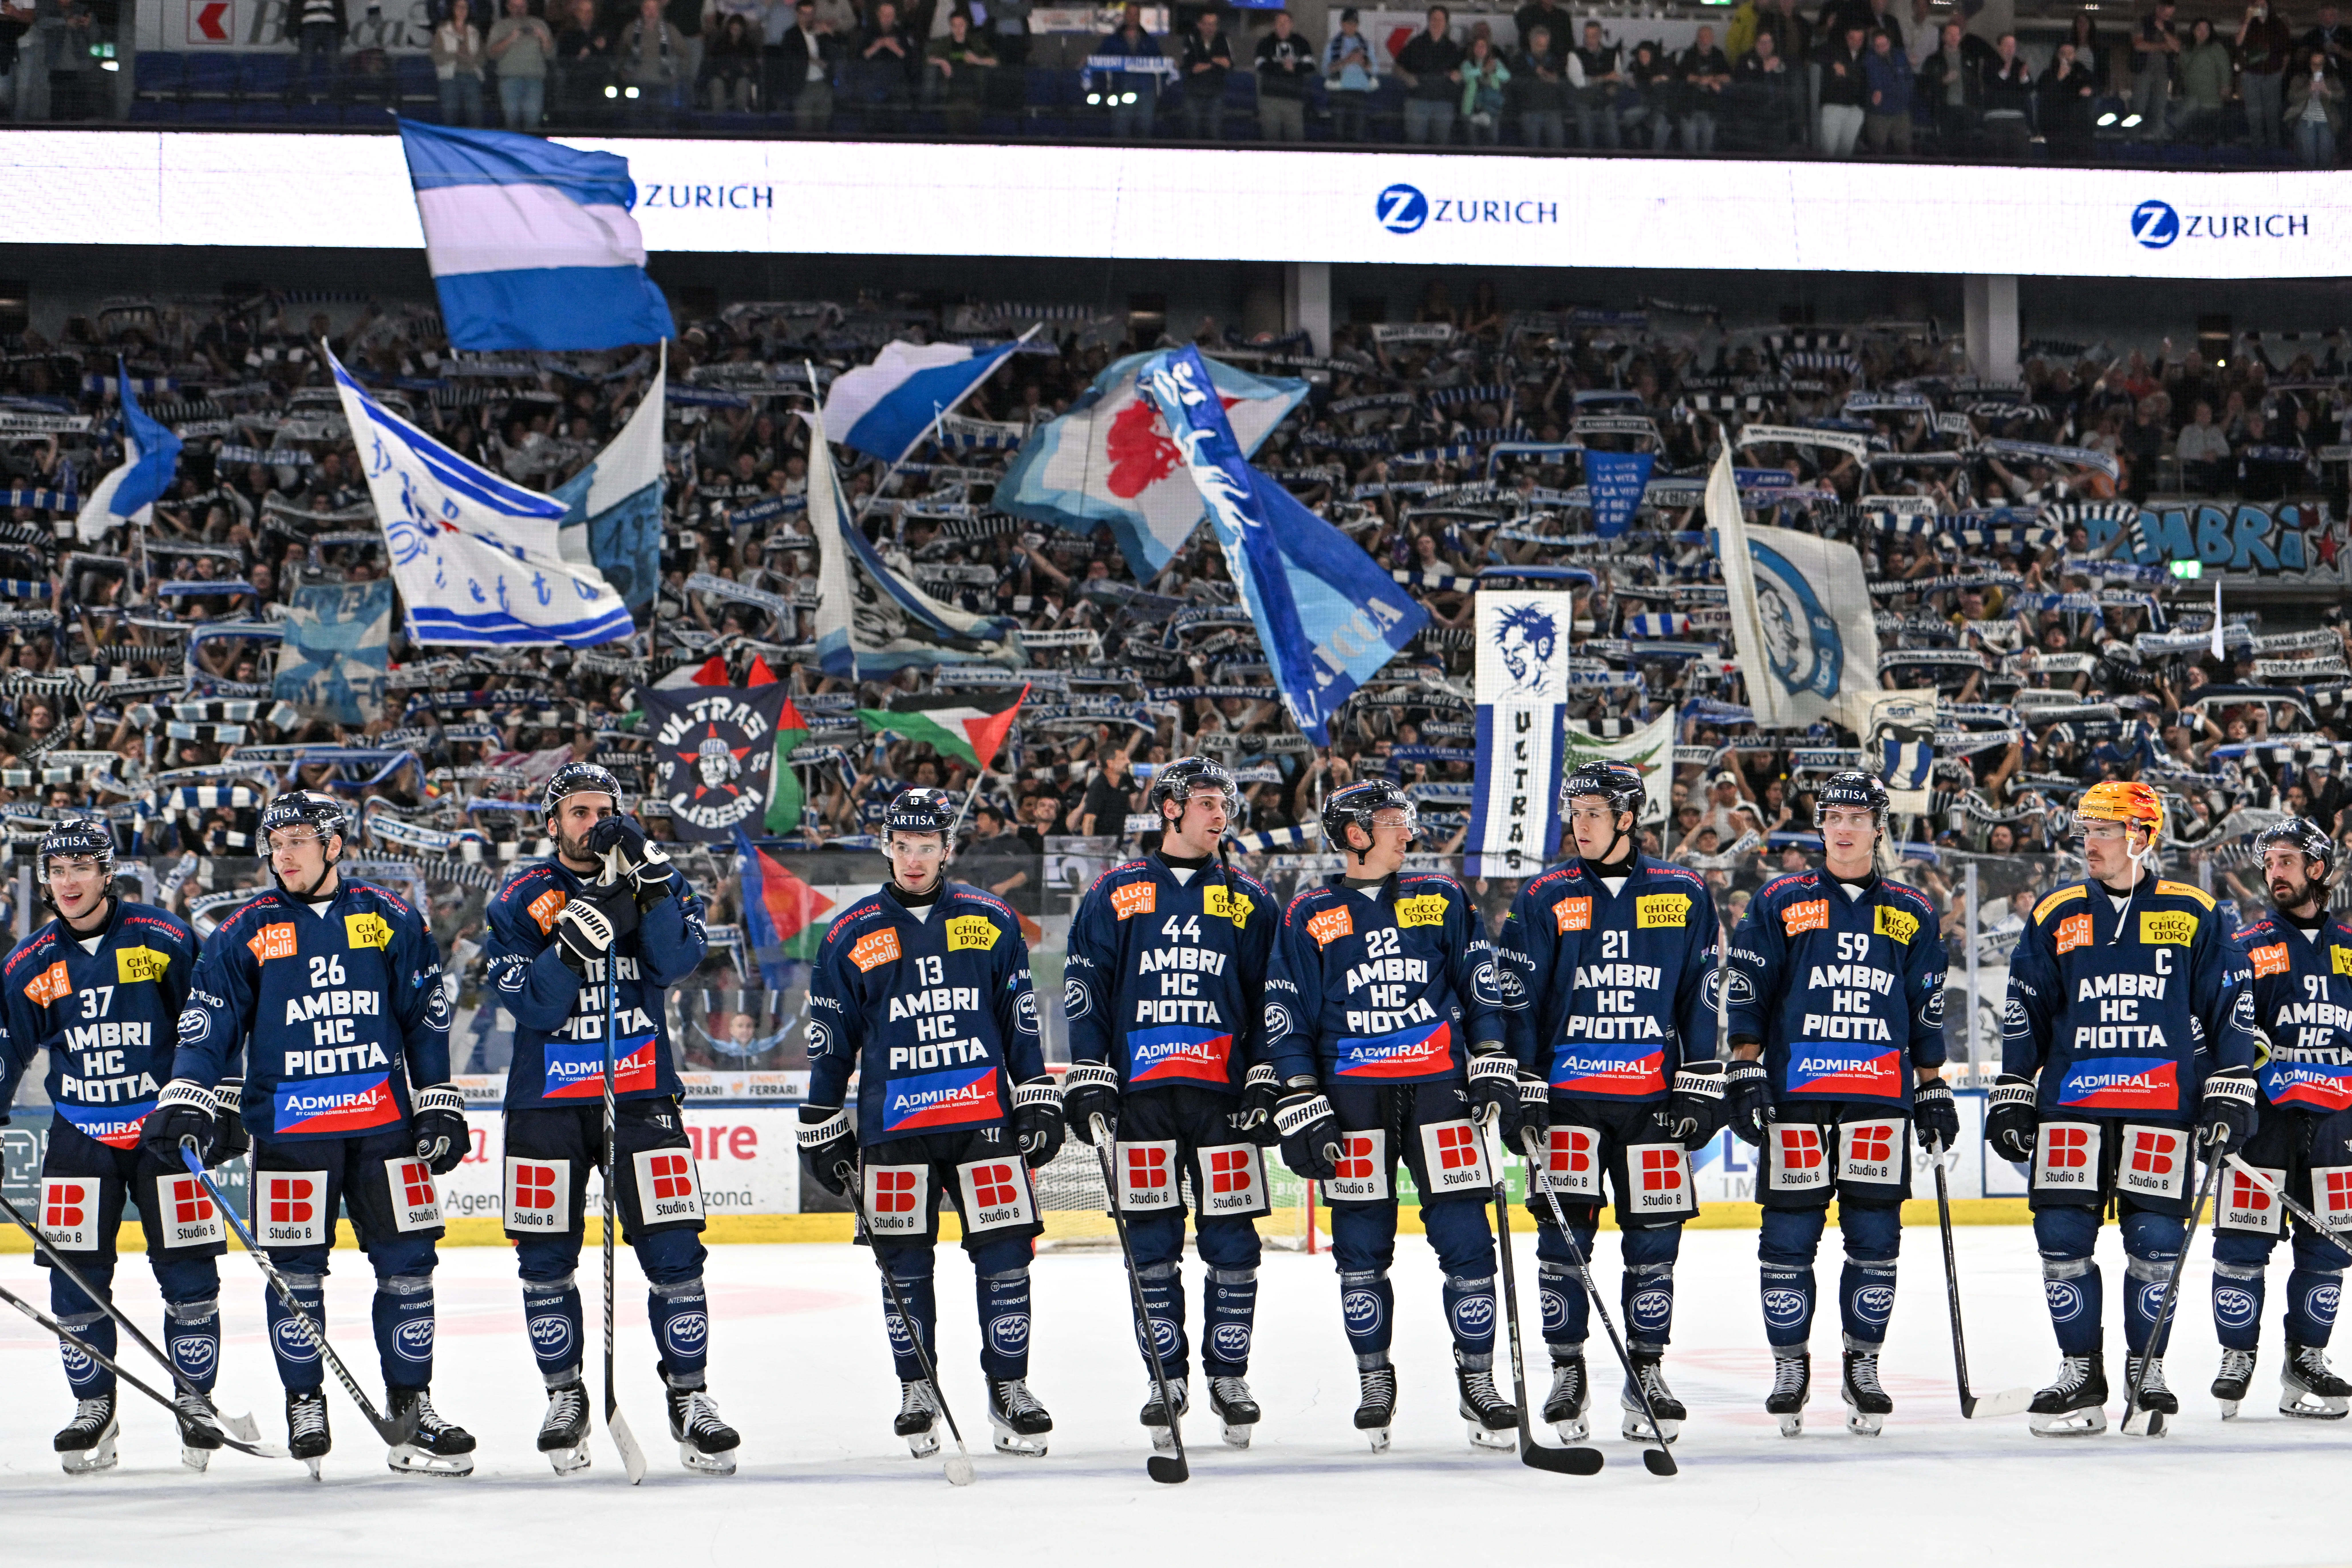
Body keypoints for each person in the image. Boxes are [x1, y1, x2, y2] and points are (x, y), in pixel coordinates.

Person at [152, 792, 473, 1474]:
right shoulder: (245, 929)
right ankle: (306, 1399)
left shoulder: (388, 917)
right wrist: (189, 1093)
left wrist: (438, 1099)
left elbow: (425, 1014)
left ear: (334, 844)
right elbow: (209, 1023)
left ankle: (413, 1405)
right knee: (295, 1277)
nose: (283, 854)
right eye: (275, 842)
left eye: (298, 838)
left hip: (386, 1132)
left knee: (410, 1273)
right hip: (292, 1137)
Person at [480, 762, 737, 1476]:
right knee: (543, 1260)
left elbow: (676, 962)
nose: (592, 823)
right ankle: (565, 1395)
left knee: (675, 1251)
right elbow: (531, 1005)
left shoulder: (657, 877)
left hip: (641, 1091)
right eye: (578, 811)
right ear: (552, 821)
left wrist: (650, 883)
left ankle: (691, 1397)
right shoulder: (518, 897)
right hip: (545, 1103)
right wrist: (572, 940)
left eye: (604, 811)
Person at [797, 787, 1065, 1459]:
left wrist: (1035, 1092)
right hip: (893, 1125)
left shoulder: (991, 918)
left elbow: (1020, 1021)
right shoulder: (850, 931)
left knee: (1006, 1257)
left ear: (948, 847)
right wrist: (820, 1119)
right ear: (887, 845)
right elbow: (831, 1038)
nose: (912, 860)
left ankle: (1009, 1387)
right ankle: (917, 1387)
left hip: (982, 1118)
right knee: (902, 1264)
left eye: (926, 846)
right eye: (901, 845)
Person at [1987, 780, 2258, 1435]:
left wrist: (2228, 1088)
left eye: (2102, 831)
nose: (2088, 843)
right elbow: (2025, 1007)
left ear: (2139, 835)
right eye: (2085, 831)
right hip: (2069, 1107)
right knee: (2059, 1241)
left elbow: (2227, 1007)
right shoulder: (2056, 912)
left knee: (2156, 1244)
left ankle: (2146, 1373)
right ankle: (2079, 1374)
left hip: (2158, 1106)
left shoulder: (2195, 912)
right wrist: (2012, 1089)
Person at [1266, 778, 1519, 1451]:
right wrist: (1299, 1095)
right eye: (1389, 820)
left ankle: (1477, 1380)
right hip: (1352, 1101)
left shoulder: (1438, 897)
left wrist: (1490, 1053)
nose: (1406, 830)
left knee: (1468, 1238)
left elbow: (1478, 976)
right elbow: (1286, 1013)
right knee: (1359, 1250)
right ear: (1353, 833)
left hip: (1439, 1091)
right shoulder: (1308, 912)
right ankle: (1373, 1379)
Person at [1721, 771, 1954, 1436]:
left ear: (1879, 826)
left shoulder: (1909, 907)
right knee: (1786, 1239)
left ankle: (1863, 1366)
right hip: (1797, 1095)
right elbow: (1748, 990)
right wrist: (1744, 1069)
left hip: (1879, 1098)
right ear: (1818, 826)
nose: (1844, 827)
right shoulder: (1779, 898)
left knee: (1875, 1241)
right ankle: (1788, 1367)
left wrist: (1932, 1083)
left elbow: (1925, 1004)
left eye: (1856, 815)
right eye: (1832, 816)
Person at [1497, 764, 1724, 1445]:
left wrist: (1699, 1082)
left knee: (1654, 1245)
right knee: (1561, 1245)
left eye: (1593, 811)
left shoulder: (1684, 892)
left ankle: (1645, 1369)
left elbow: (1700, 993)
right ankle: (1567, 1370)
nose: (1580, 823)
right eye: (1573, 811)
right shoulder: (1543, 895)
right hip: (1567, 1103)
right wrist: (1523, 1087)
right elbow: (1519, 1001)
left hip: (1651, 1100)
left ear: (1627, 817)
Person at [1063, 758, 1279, 1448]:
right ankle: (1167, 1376)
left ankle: (1228, 1376)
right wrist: (1091, 1068)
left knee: (1234, 1242)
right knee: (1149, 1243)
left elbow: (1274, 996)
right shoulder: (1117, 891)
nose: (1222, 814)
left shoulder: (1249, 898)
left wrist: (1266, 1071)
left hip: (1223, 1101)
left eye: (1226, 803)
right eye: (1209, 802)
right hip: (1143, 1099)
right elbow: (1085, 985)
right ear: (1170, 808)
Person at [0, 821, 216, 1474]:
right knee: (74, 1284)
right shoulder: (30, 962)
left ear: (107, 872)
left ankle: (195, 1400)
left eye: (79, 868)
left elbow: (211, 1019)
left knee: (190, 1279)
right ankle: (95, 1406)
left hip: (163, 1133)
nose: (66, 882)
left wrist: (213, 1100)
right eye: (55, 870)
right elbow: (7, 1049)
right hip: (79, 1136)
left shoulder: (164, 937)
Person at [2209, 819, 2352, 1418]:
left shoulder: (2349, 944)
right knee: (2241, 1244)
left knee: (2328, 1249)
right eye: (2268, 862)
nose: (2274, 872)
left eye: (2287, 860)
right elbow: (2218, 1025)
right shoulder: (2247, 945)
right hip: (2262, 1121)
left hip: (2337, 1124)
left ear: (2316, 868)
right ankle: (2236, 1354)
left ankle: (2306, 1360)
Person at [1395, 5, 1465, 144]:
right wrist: (1407, 77)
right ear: (1428, 21)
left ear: (1446, 24)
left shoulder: (1453, 48)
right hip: (1418, 101)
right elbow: (1397, 68)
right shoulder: (1416, 44)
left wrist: (1459, 76)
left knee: (1441, 146)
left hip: (1443, 103)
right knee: (1415, 145)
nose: (1437, 23)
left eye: (1441, 20)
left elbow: (1463, 72)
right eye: (1434, 19)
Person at [924, 11, 997, 133]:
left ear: (967, 25)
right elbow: (928, 58)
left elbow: (994, 61)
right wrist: (942, 62)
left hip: (973, 95)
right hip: (952, 96)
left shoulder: (976, 43)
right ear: (951, 27)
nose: (958, 29)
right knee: (954, 131)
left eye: (961, 25)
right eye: (955, 25)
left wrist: (978, 60)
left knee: (972, 132)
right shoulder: (945, 43)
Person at [487, 0, 554, 129]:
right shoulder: (500, 26)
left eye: (522, 6)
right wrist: (510, 38)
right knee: (512, 123)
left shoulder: (539, 24)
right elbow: (491, 53)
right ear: (508, 7)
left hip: (535, 81)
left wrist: (543, 38)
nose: (519, 9)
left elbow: (551, 54)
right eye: (516, 6)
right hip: (510, 80)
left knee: (533, 123)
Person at [1735, 29, 1803, 149]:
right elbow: (1743, 87)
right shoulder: (1745, 60)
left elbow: (1790, 90)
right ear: (1756, 44)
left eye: (1768, 43)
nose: (1765, 46)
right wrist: (1763, 70)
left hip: (1776, 117)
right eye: (1762, 42)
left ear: (1773, 45)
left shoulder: (1780, 62)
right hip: (1753, 117)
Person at [2241, 0, 2296, 151]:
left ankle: (2274, 152)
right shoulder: (2250, 25)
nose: (2261, 8)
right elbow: (2238, 43)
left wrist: (2280, 73)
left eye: (2263, 5)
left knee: (2272, 114)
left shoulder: (2279, 26)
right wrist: (2247, 21)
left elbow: (2286, 53)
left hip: (2272, 74)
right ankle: (2257, 151)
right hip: (2251, 75)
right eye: (2257, 6)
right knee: (2254, 114)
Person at [774, 0, 837, 131]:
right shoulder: (791, 35)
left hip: (823, 85)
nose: (807, 17)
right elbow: (789, 59)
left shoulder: (821, 34)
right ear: (798, 14)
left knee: (823, 126)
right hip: (803, 85)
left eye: (811, 14)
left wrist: (829, 34)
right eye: (804, 14)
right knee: (804, 126)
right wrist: (810, 60)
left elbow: (833, 56)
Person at [1253, 9, 1314, 140]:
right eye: (1280, 22)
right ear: (1274, 25)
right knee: (1270, 140)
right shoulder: (1265, 43)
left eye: (1286, 22)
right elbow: (1260, 66)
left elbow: (1310, 66)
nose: (1283, 25)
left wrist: (1294, 68)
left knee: (1296, 140)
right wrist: (1282, 67)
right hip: (1270, 100)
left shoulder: (1302, 43)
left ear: (1292, 24)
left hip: (1294, 100)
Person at [1816, 21, 1869, 156]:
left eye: (1860, 39)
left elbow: (1864, 79)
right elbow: (1814, 54)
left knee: (1847, 151)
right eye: (1854, 38)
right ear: (1847, 37)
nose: (1857, 42)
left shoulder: (1866, 56)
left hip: (1855, 108)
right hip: (1834, 106)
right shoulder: (1834, 50)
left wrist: (1848, 72)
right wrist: (1833, 64)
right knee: (1829, 149)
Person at [2041, 37, 2100, 159]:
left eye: (2071, 53)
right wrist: (2059, 78)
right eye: (2064, 54)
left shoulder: (2083, 73)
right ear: (2058, 55)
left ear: (2075, 55)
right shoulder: (2049, 74)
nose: (2067, 57)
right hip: (2057, 131)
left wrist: (2091, 90)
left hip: (2081, 130)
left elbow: (2097, 87)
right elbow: (2044, 94)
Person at [1179, 7, 1233, 139]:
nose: (1211, 28)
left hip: (1216, 92)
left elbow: (1229, 65)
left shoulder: (1223, 39)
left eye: (1214, 24)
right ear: (1200, 25)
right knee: (1192, 134)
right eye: (1208, 24)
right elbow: (1192, 67)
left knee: (1214, 133)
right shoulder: (1191, 39)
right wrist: (1215, 62)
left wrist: (1207, 63)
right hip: (1194, 93)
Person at [1324, 7, 1378, 140]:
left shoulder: (1366, 45)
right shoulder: (1332, 45)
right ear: (1342, 24)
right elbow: (1326, 71)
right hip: (1339, 93)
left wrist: (1363, 63)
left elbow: (1375, 70)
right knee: (1338, 135)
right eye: (1348, 23)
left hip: (1361, 94)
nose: (1351, 27)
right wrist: (1346, 61)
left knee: (1359, 135)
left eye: (1354, 24)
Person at [1513, 22, 1569, 147]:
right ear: (1531, 43)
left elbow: (1565, 84)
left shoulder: (1555, 60)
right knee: (1531, 150)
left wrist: (1554, 80)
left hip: (1553, 111)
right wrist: (1535, 76)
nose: (1542, 48)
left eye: (1545, 45)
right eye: (1539, 45)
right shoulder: (1520, 61)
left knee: (1557, 150)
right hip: (1530, 111)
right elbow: (1514, 85)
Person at [2131, 0, 2180, 139]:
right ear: (2159, 9)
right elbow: (2139, 45)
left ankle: (2157, 140)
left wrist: (2164, 31)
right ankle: (2133, 138)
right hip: (2143, 70)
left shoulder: (2170, 26)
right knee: (2139, 107)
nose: (2168, 17)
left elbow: (2177, 47)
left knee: (2160, 108)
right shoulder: (2143, 22)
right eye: (2166, 14)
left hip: (2164, 73)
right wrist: (2164, 46)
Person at [2179, 16, 2233, 142]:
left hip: (2212, 101)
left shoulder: (2217, 48)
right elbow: (2182, 69)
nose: (2203, 33)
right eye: (2199, 29)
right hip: (2192, 98)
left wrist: (2226, 86)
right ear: (2193, 31)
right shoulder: (2187, 49)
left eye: (2206, 30)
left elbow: (2225, 68)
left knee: (2209, 133)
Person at [433, 0, 487, 126]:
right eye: (459, 8)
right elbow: (436, 57)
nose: (463, 11)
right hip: (450, 79)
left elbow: (483, 57)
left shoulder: (474, 32)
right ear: (453, 10)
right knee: (450, 117)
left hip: (472, 77)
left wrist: (473, 59)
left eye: (465, 8)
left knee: (476, 119)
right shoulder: (443, 32)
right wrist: (455, 55)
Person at [1678, 23, 1731, 149]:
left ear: (1713, 39)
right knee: (1691, 150)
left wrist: (1711, 79)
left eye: (1708, 37)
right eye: (1702, 37)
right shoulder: (1690, 54)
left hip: (1711, 110)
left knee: (1707, 150)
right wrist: (1701, 80)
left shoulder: (1718, 55)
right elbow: (1684, 76)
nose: (1705, 40)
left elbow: (1728, 77)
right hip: (1690, 109)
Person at [1861, 25, 1913, 152]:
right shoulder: (1869, 59)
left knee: (1905, 151)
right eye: (1878, 46)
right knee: (1878, 151)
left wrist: (1905, 96)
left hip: (1901, 112)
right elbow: (1873, 78)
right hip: (1879, 115)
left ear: (1890, 43)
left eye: (1884, 45)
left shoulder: (1900, 56)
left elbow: (1909, 79)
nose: (1882, 49)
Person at [2288, 48, 2344, 163]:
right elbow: (2292, 98)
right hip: (2305, 120)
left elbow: (2342, 96)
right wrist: (2309, 90)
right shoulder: (2300, 78)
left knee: (2326, 157)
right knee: (2308, 158)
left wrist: (2327, 92)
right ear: (2309, 64)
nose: (2317, 68)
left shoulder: (2332, 78)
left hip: (2327, 122)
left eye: (2320, 64)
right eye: (2314, 64)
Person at [1571, 19, 1621, 146]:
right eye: (1587, 36)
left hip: (1607, 104)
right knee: (1587, 145)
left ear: (1600, 36)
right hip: (1585, 105)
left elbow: (1618, 77)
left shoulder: (1612, 54)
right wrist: (1606, 78)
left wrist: (1614, 85)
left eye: (1593, 36)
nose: (1589, 39)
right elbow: (1580, 82)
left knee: (1615, 143)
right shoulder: (1575, 54)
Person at [1460, 31, 1510, 143]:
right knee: (1472, 143)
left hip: (1492, 110)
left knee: (1492, 142)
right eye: (1477, 46)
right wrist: (1482, 70)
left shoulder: (1495, 63)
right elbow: (1465, 75)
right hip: (1471, 110)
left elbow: (1507, 77)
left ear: (1488, 49)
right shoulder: (1468, 64)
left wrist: (1494, 70)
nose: (1480, 49)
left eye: (1483, 46)